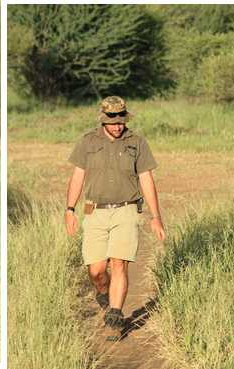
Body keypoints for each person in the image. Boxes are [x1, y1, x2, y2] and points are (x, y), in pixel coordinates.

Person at [65, 96, 165, 341]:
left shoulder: (137, 143)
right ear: (103, 119)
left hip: (126, 209)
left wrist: (156, 216)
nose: (118, 125)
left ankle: (115, 316)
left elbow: (146, 180)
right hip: (94, 210)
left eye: (121, 120)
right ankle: (104, 293)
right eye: (112, 120)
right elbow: (78, 176)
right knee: (97, 270)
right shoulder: (88, 142)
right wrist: (69, 209)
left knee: (119, 263)